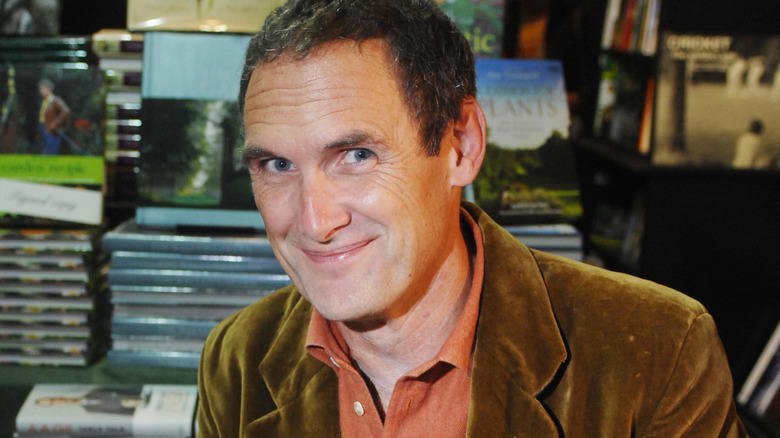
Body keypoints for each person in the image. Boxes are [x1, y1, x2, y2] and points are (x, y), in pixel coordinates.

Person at [197, 0, 746, 436]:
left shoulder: (658, 350)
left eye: (357, 156)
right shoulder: (238, 358)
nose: (314, 221)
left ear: (461, 145)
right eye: (276, 164)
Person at [37, 78, 70, 155]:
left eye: (44, 89)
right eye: (41, 89)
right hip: (44, 128)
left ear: (49, 89)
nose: (42, 91)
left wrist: (55, 123)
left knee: (51, 153)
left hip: (52, 132)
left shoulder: (55, 100)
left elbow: (66, 111)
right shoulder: (44, 101)